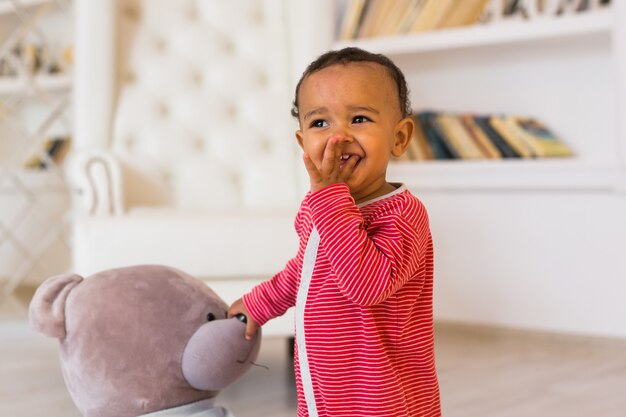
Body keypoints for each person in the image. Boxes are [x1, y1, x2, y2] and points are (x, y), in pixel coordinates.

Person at [228, 47, 441, 417]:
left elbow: (365, 285)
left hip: (381, 397)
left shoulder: (403, 216)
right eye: (320, 124)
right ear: (302, 144)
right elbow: (304, 272)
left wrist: (328, 197)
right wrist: (259, 304)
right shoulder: (319, 207)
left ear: (399, 137)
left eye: (359, 119)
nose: (337, 137)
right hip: (325, 386)